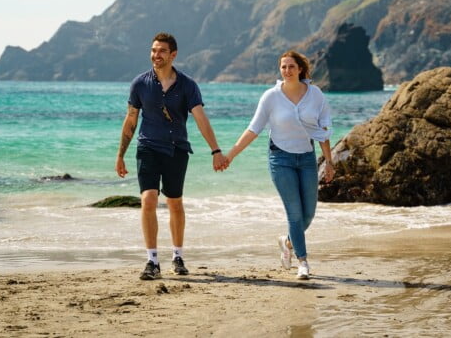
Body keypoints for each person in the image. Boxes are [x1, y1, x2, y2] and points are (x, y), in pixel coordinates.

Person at [115, 32, 228, 280]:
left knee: (175, 202)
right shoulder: (140, 84)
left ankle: (177, 255)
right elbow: (131, 119)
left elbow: (200, 119)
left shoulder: (188, 85)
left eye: (162, 51)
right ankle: (152, 260)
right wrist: (120, 154)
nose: (156, 55)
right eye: (153, 50)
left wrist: (216, 150)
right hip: (147, 147)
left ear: (173, 55)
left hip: (177, 149)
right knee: (148, 200)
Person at [224, 50, 335, 280]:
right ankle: (302, 262)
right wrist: (231, 154)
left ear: (300, 69)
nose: (287, 71)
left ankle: (286, 241)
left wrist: (330, 161)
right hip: (280, 159)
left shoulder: (315, 95)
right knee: (294, 214)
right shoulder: (271, 97)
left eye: (291, 66)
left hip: (306, 159)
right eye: (283, 67)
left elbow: (324, 130)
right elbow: (253, 129)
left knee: (308, 214)